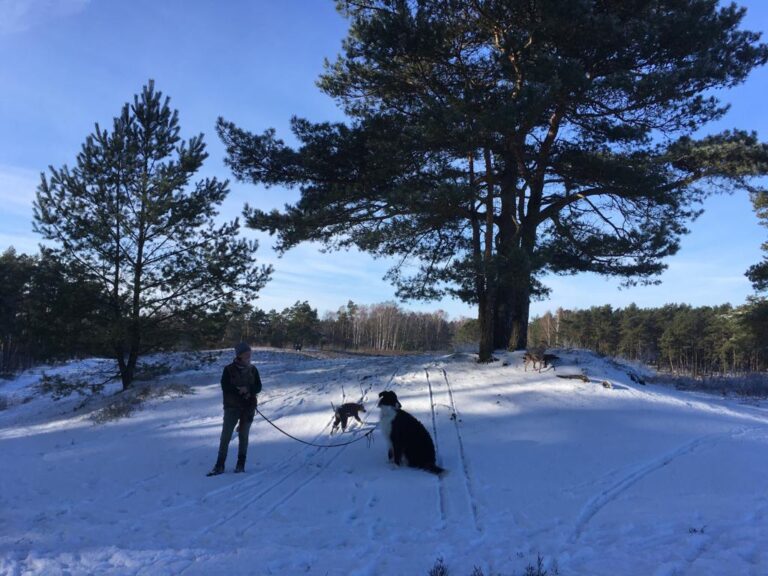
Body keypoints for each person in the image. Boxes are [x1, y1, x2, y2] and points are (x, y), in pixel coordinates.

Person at [207, 342, 262, 476]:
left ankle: (240, 464)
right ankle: (219, 465)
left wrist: (248, 389)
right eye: (246, 354)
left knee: (244, 436)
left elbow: (259, 387)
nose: (249, 356)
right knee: (225, 436)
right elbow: (225, 386)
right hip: (231, 407)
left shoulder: (253, 370)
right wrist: (239, 390)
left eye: (250, 353)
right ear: (239, 355)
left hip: (248, 407)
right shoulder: (228, 369)